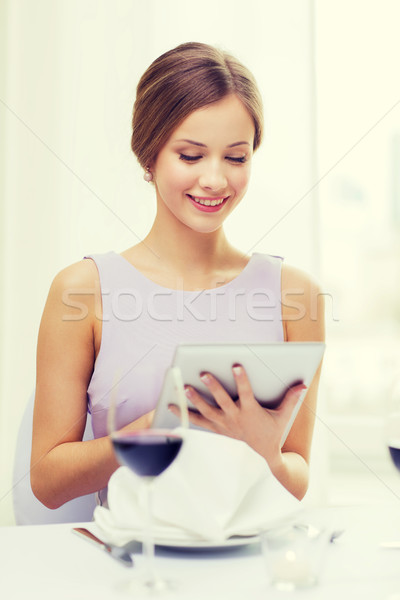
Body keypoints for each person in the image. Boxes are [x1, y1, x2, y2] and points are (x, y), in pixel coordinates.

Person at [31, 42, 324, 510]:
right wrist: (153, 430)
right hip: (135, 569)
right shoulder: (81, 291)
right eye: (190, 156)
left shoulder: (295, 295)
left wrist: (266, 453)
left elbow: (296, 476)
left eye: (236, 157)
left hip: (248, 568)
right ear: (149, 157)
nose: (215, 180)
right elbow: (47, 482)